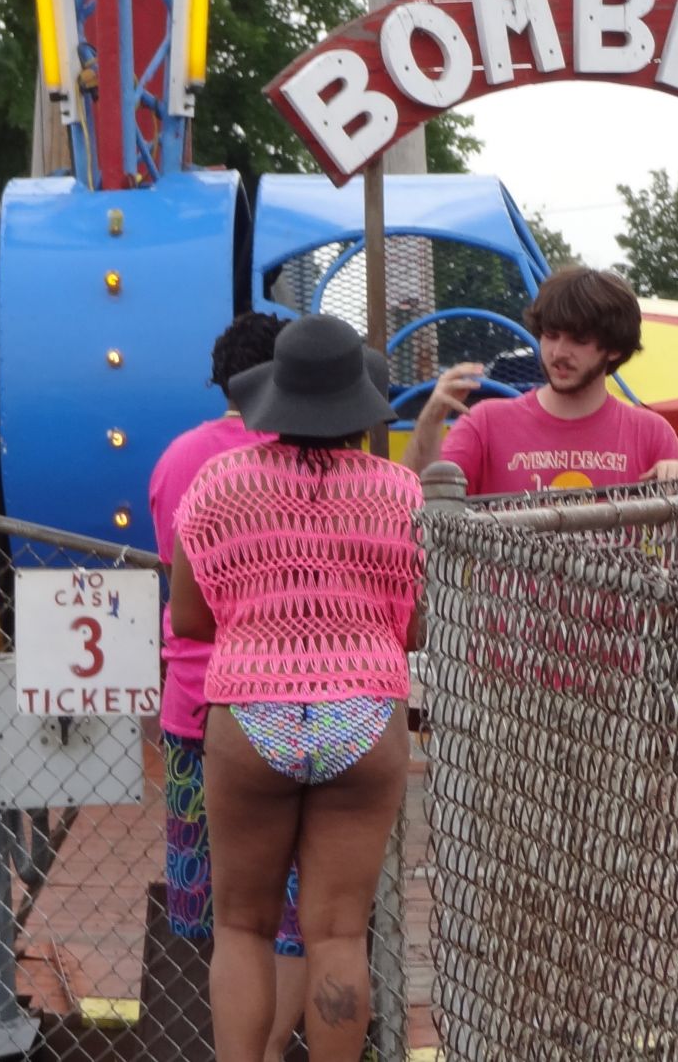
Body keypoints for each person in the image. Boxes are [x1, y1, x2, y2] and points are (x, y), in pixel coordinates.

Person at [170, 314, 424, 1062]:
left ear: (274, 394)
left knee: (242, 926)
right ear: (358, 401)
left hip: (249, 713)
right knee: (339, 931)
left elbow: (188, 617)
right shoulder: (401, 494)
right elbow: (416, 629)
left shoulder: (218, 483)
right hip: (365, 712)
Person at [147, 311, 307, 1062]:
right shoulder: (306, 456)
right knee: (295, 912)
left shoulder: (181, 459)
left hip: (193, 703)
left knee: (218, 912)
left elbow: (179, 580)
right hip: (291, 700)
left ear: (222, 381)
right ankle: (276, 1049)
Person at [403, 265, 678, 492]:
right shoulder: (486, 423)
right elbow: (418, 504)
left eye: (579, 340)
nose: (558, 352)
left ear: (614, 348)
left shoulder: (649, 432)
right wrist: (429, 421)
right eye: (550, 335)